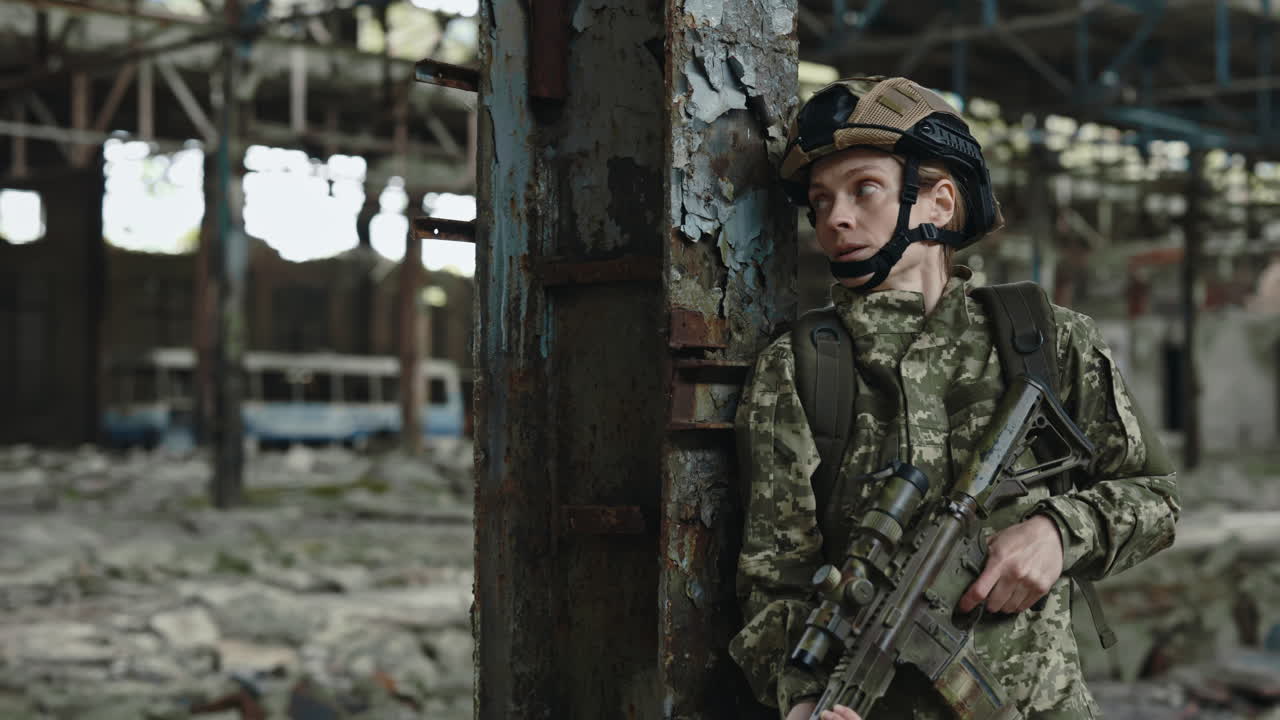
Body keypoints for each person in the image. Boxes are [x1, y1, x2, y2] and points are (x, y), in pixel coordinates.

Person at [729, 76, 1179, 720]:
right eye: (820, 201)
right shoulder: (799, 367)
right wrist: (801, 700)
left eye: (864, 189)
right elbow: (774, 577)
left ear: (939, 202)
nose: (836, 219)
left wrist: (1058, 531)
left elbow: (1155, 496)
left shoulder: (1044, 339)